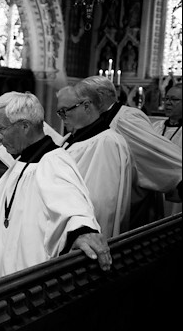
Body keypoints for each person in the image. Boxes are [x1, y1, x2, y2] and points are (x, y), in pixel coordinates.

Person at [0, 92, 110, 282]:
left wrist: (82, 233)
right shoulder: (24, 161)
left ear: (25, 126)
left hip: (31, 282)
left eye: (0, 129)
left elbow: (74, 209)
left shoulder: (53, 162)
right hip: (6, 276)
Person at [77, 76, 182, 226]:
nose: (81, 106)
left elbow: (155, 153)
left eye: (83, 100)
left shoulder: (126, 119)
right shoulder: (99, 119)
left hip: (130, 202)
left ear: (100, 96)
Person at [57, 85, 132, 238]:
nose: (62, 116)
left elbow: (102, 205)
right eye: (59, 112)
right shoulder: (70, 138)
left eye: (65, 110)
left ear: (86, 106)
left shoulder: (107, 143)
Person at [152, 83, 182, 217]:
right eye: (166, 99)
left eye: (174, 100)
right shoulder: (154, 127)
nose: (168, 103)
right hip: (154, 187)